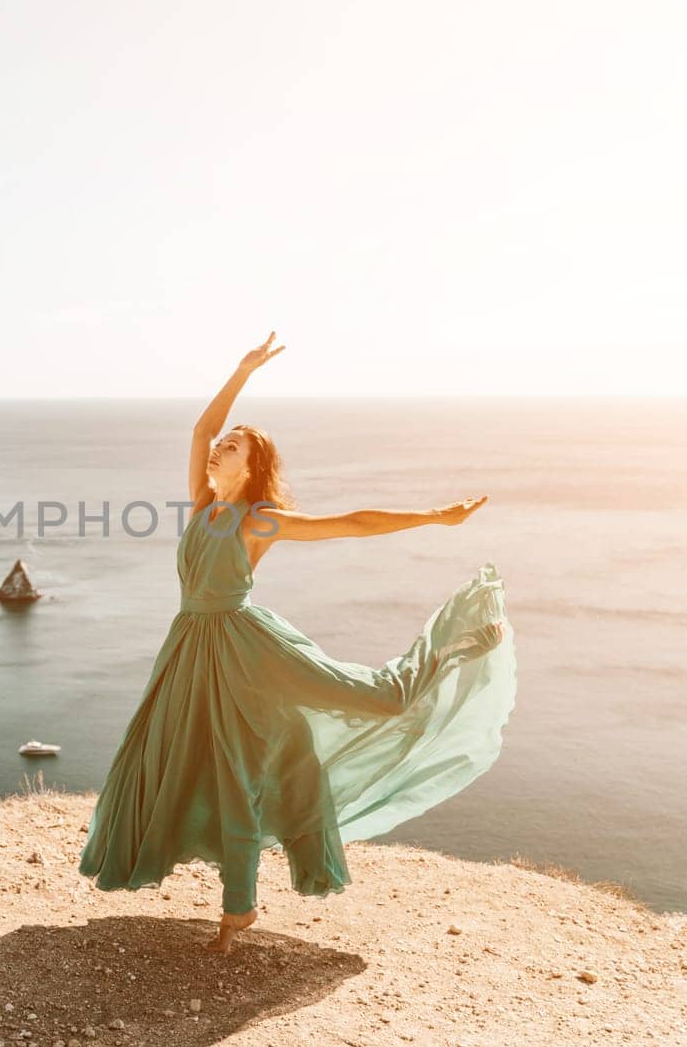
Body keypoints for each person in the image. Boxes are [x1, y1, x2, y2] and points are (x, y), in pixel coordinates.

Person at [77, 331, 516, 954]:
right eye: (221, 444)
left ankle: (453, 649)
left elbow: (351, 524)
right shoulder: (204, 505)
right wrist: (241, 371)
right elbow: (201, 428)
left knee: (367, 704)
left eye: (231, 447)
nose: (216, 448)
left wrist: (433, 516)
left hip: (243, 649)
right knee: (178, 758)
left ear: (251, 467)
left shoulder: (258, 520)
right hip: (189, 649)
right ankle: (239, 909)